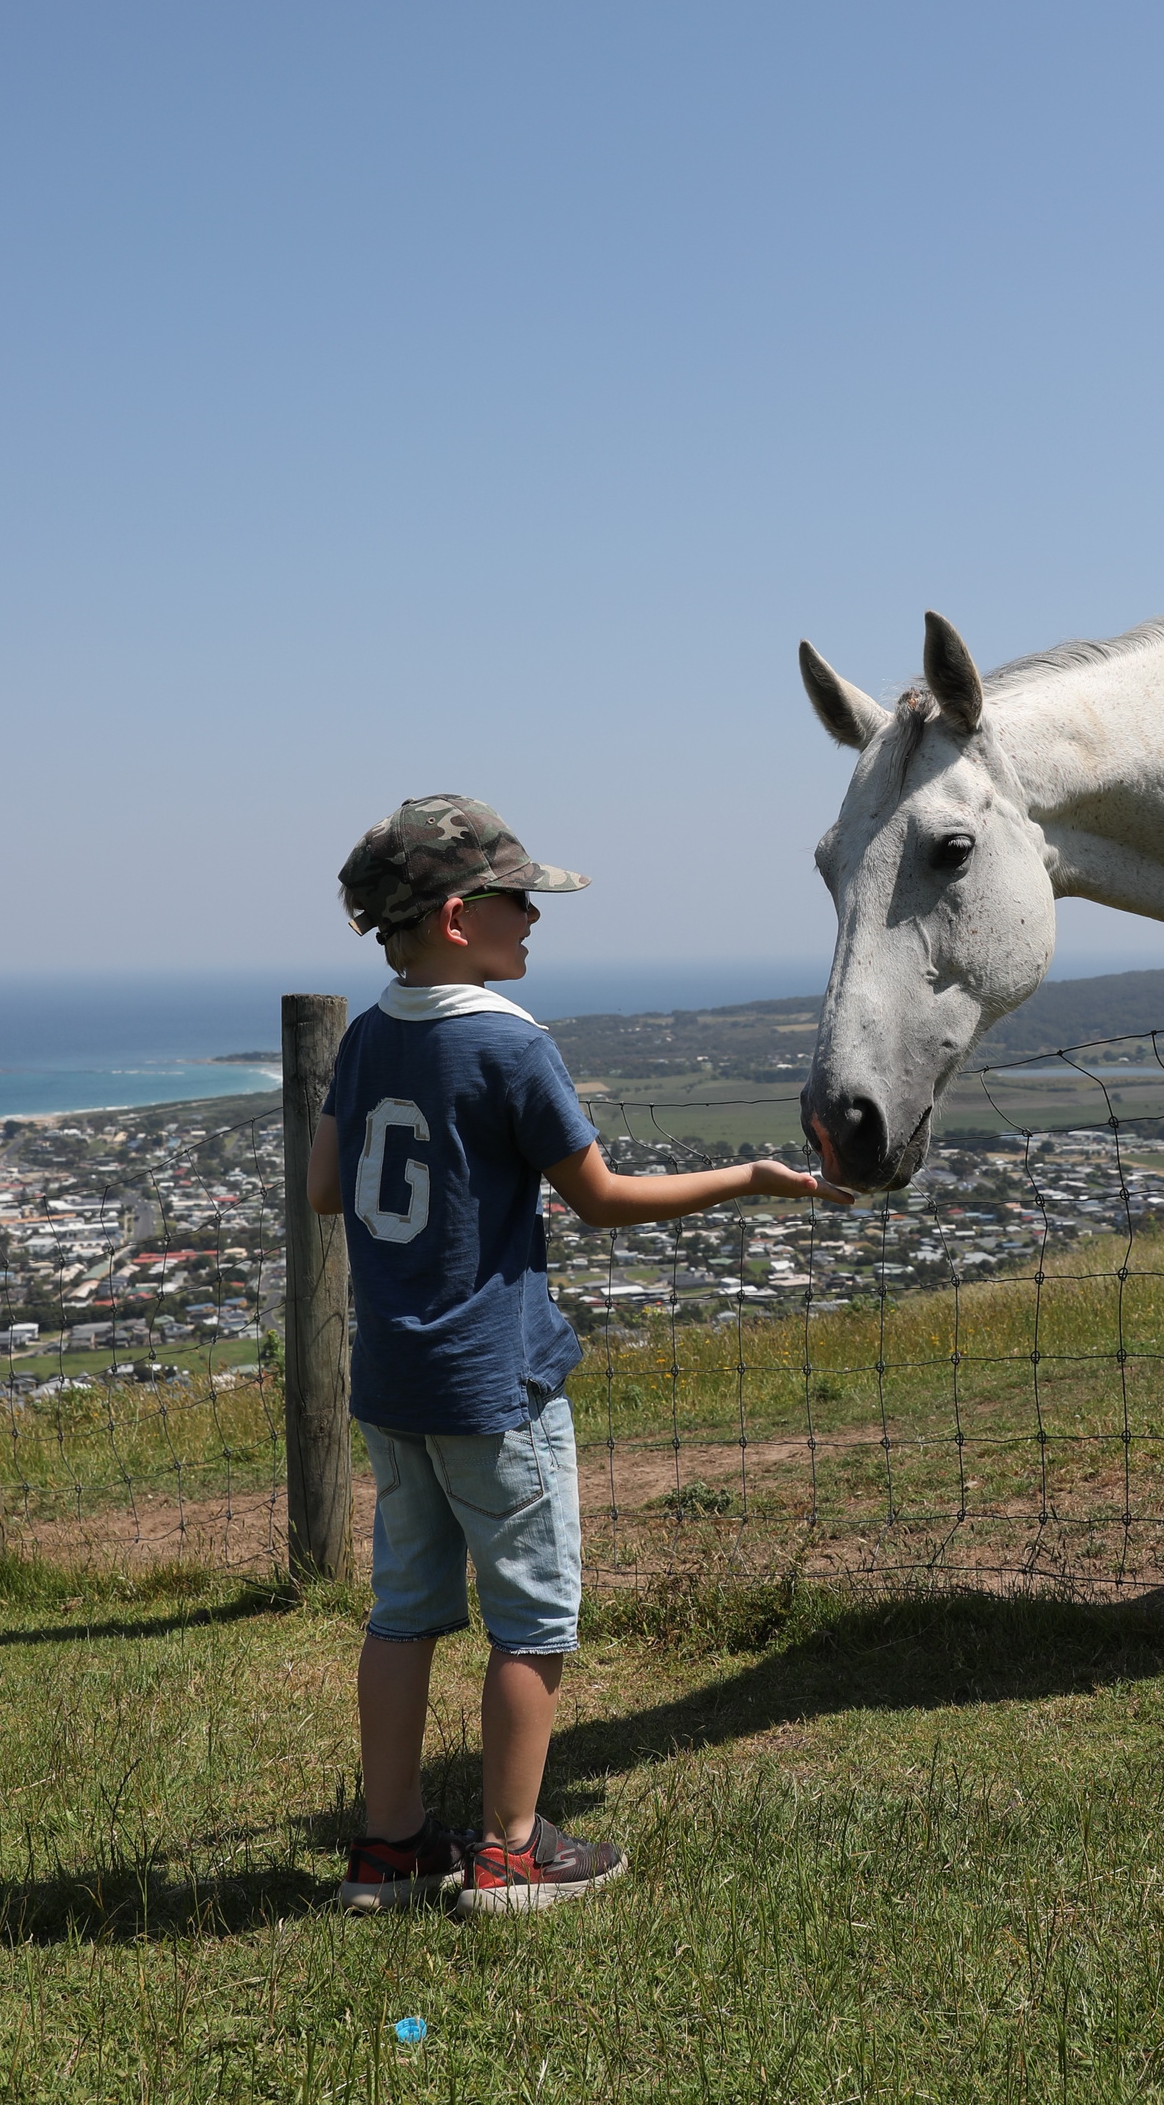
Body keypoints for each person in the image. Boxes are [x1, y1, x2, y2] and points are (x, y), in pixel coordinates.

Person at [307, 794, 844, 1919]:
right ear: (459, 917)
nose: (535, 921)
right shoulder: (508, 1042)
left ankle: (389, 1849)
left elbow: (322, 1189)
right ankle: (509, 1855)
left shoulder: (365, 1036)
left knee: (401, 1612)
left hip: (392, 1383)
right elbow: (600, 1200)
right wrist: (751, 1180)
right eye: (519, 901)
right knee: (532, 1621)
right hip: (493, 1383)